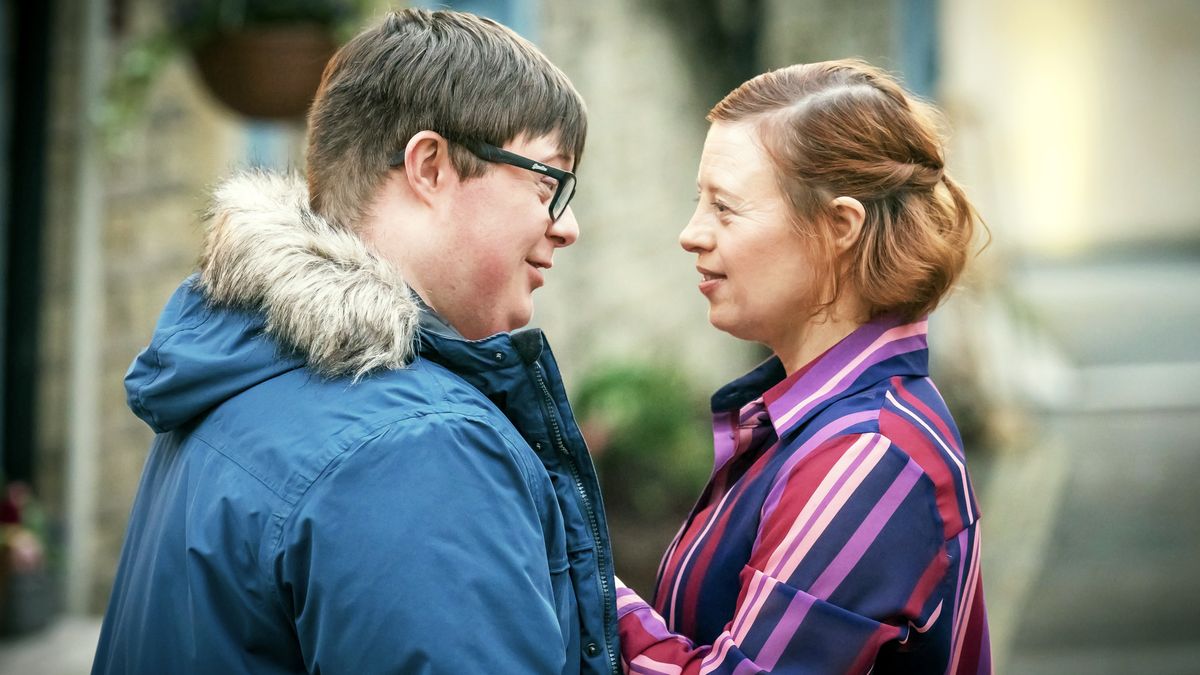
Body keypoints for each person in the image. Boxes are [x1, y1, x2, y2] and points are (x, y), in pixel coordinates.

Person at [93, 9, 619, 674]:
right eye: (548, 181)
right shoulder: (418, 446)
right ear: (429, 165)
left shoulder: (239, 373)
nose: (566, 225)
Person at [615, 60, 991, 673]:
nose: (691, 234)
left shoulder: (869, 454)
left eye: (726, 208)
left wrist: (580, 576)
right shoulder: (813, 423)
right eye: (697, 202)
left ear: (838, 226)